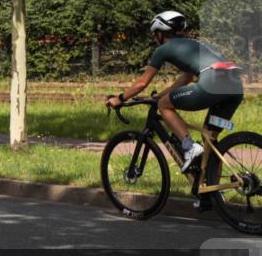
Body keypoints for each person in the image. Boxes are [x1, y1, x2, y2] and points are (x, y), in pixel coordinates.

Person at [105, 11, 244, 206]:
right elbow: (186, 77)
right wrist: (162, 93)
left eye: (155, 34)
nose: (155, 38)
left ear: (161, 33)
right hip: (235, 87)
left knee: (164, 106)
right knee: (210, 139)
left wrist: (119, 98)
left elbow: (142, 83)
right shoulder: (194, 43)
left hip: (212, 84)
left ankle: (188, 147)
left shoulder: (163, 49)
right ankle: (211, 193)